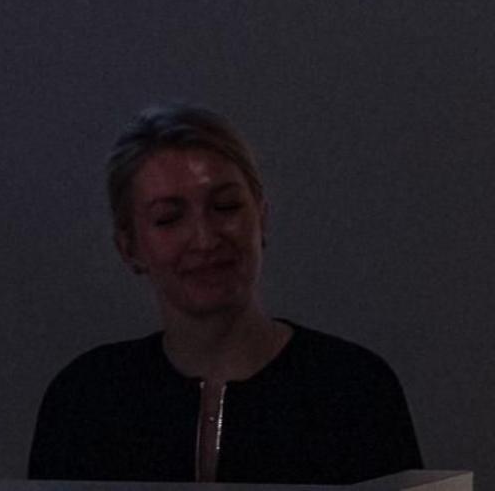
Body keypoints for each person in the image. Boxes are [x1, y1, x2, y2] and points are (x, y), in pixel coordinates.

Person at [26, 107, 422, 485]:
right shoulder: (87, 400)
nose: (205, 238)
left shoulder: (352, 390)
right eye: (169, 218)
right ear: (129, 246)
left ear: (261, 217)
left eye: (225, 206)